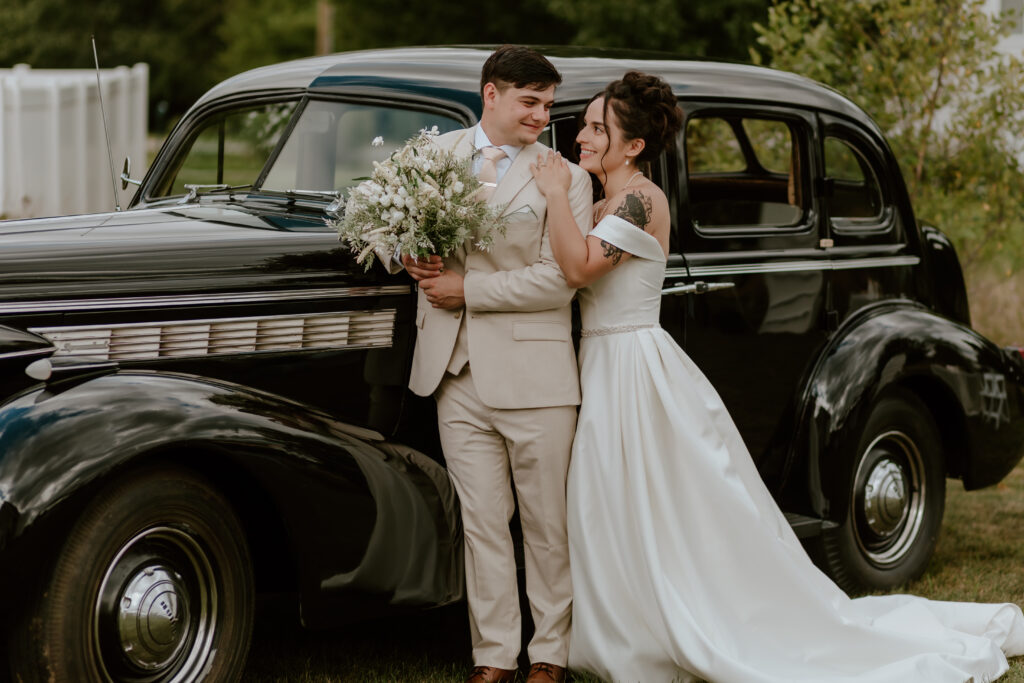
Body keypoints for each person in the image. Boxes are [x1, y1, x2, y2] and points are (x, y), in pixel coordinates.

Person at [530, 70, 1024, 683]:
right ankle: (622, 623)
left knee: (645, 496)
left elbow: (578, 267)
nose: (581, 136)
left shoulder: (641, 199)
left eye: (598, 128)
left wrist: (553, 193)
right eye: (585, 125)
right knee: (610, 499)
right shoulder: (600, 197)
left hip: (633, 366)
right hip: (602, 364)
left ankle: (667, 628)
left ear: (633, 146)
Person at [391, 45, 593, 683]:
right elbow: (406, 232)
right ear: (491, 95)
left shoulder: (566, 177)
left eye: (549, 105)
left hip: (536, 379)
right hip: (454, 372)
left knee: (545, 526)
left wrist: (466, 292)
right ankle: (493, 657)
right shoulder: (434, 156)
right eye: (530, 102)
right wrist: (410, 257)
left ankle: (550, 653)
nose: (541, 116)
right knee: (481, 525)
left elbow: (558, 281)